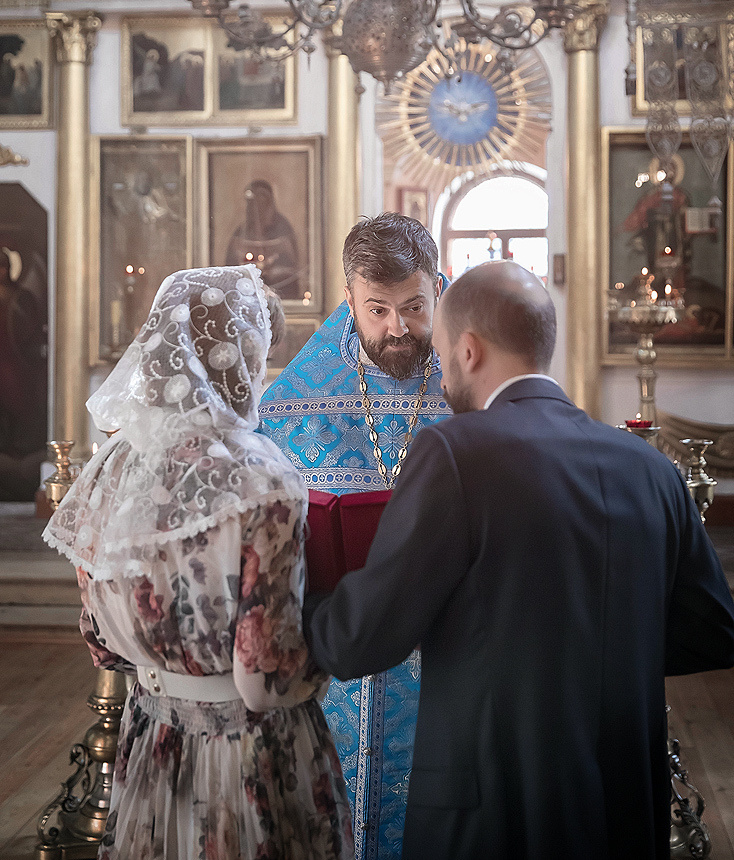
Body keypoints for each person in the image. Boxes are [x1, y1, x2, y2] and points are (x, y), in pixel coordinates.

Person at [304, 260, 734, 860]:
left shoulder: (456, 454)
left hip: (489, 814)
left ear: (469, 350)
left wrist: (294, 606)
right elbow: (714, 634)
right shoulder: (650, 468)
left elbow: (361, 639)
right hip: (625, 808)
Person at [43, 265, 354, 860]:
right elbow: (265, 680)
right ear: (238, 358)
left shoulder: (110, 473)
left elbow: (101, 644)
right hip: (245, 758)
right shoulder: (264, 480)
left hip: (152, 738)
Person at [259, 213, 450, 859]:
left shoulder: (473, 380)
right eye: (378, 310)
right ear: (350, 301)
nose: (398, 328)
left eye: (415, 307)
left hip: (449, 653)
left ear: (439, 290)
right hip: (337, 658)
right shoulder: (292, 404)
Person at [226, 180, 301, 300]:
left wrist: (270, 267)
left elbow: (291, 267)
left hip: (282, 294)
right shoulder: (242, 231)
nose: (257, 207)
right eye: (253, 202)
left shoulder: (282, 228)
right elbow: (231, 270)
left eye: (262, 200)